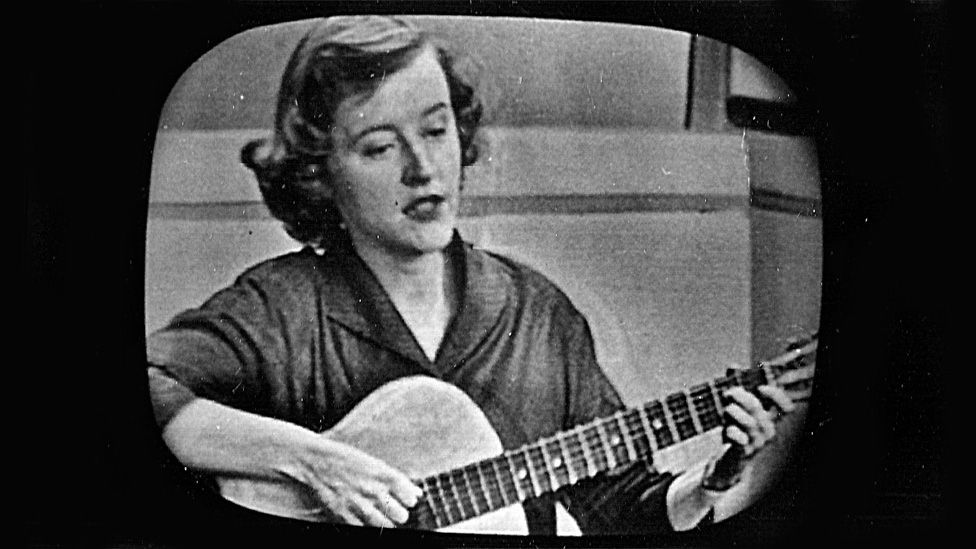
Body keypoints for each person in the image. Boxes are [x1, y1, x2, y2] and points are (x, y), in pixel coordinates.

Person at [146, 15, 795, 535]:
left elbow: (617, 505)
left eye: (436, 129)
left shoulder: (535, 309)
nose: (423, 169)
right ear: (321, 172)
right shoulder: (282, 306)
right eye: (379, 147)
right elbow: (152, 387)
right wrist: (314, 460)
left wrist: (709, 482)